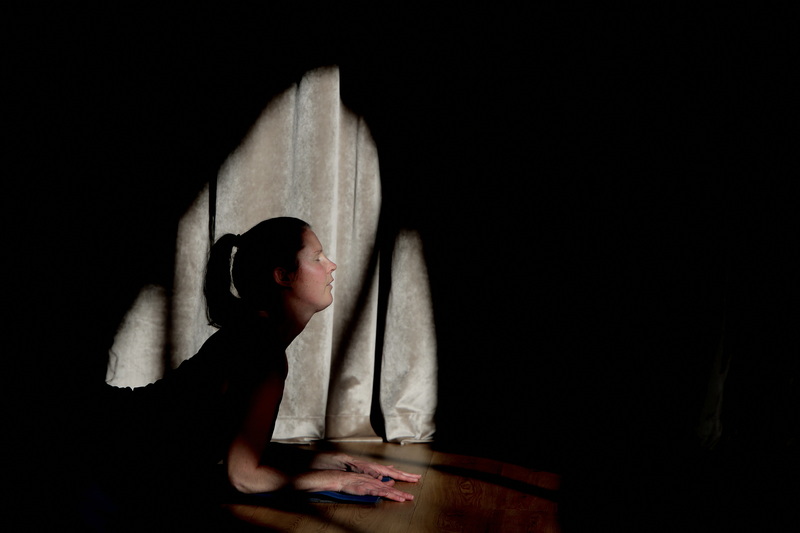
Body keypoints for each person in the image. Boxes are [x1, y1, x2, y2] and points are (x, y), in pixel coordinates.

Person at [82, 217, 419, 530]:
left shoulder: (253, 335)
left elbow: (234, 445)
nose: (331, 266)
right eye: (317, 258)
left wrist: (338, 461)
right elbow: (242, 476)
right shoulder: (261, 351)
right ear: (282, 276)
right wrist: (335, 480)